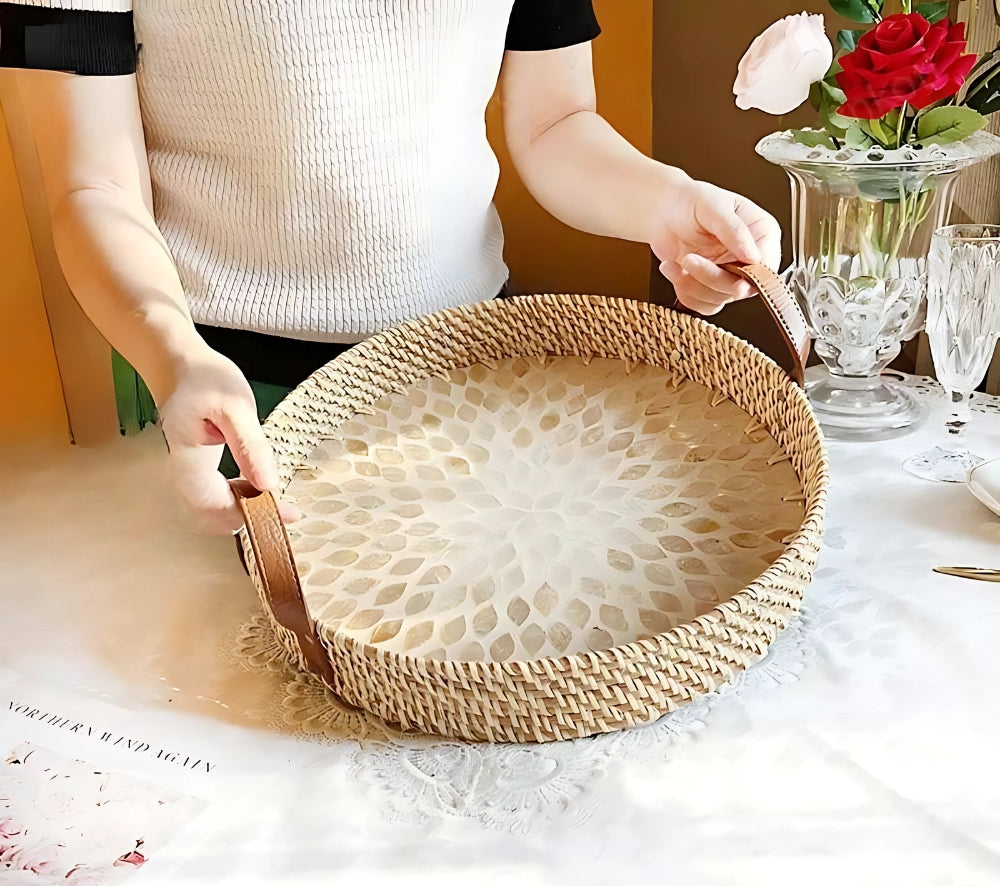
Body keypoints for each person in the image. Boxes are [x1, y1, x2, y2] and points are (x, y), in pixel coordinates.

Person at [0, 1, 781, 534]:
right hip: (228, 391)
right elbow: (94, 186)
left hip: (478, 371)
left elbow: (556, 122)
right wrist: (175, 359)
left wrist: (670, 206)